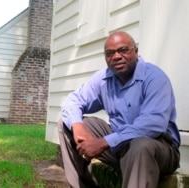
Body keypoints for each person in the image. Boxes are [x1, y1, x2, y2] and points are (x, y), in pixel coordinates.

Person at [58, 31, 180, 188]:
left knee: (140, 145)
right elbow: (73, 101)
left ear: (135, 51)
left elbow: (152, 124)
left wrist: (104, 142)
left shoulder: (155, 78)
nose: (116, 56)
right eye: (110, 53)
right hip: (119, 146)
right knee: (66, 123)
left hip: (158, 148)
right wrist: (77, 125)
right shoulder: (103, 78)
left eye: (123, 50)